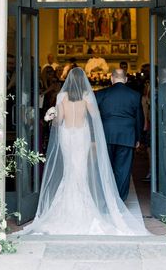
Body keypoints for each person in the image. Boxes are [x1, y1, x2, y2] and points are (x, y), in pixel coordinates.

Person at [23, 68, 146, 236]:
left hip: (67, 135)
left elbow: (59, 121)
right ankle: (84, 206)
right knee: (80, 170)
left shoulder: (61, 96)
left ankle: (67, 207)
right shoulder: (87, 96)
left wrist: (52, 115)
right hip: (82, 135)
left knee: (69, 170)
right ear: (83, 81)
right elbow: (95, 117)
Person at [96, 69, 144, 202]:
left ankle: (106, 198)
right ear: (126, 79)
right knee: (123, 170)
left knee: (105, 167)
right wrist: (138, 138)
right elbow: (139, 119)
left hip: (106, 135)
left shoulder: (101, 94)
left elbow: (94, 116)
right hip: (127, 136)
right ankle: (120, 200)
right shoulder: (135, 95)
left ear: (112, 78)